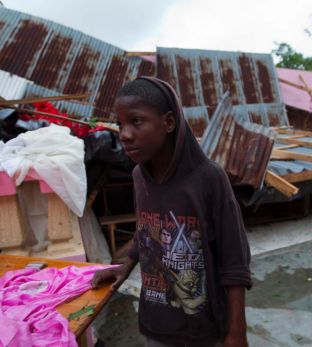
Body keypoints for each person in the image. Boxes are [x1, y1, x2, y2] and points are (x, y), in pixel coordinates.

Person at [91, 77, 252, 347]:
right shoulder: (139, 177)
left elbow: (235, 260)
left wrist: (237, 331)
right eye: (121, 124)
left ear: (168, 122)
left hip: (203, 328)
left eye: (136, 121)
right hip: (157, 322)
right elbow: (146, 230)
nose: (125, 134)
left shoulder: (208, 179)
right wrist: (126, 265)